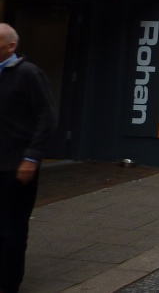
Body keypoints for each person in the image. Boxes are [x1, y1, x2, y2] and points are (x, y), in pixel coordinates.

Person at [0, 23, 57, 293]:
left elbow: (46, 118)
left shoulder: (28, 74)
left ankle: (8, 283)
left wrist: (31, 158)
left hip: (15, 166)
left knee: (11, 229)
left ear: (11, 46)